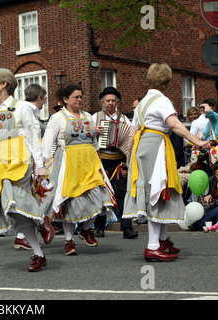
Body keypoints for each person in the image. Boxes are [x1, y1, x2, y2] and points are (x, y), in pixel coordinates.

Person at [122, 63, 209, 262]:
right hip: (156, 146)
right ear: (167, 82)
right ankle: (153, 246)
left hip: (142, 149)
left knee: (158, 191)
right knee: (158, 192)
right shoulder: (162, 100)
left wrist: (129, 161)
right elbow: (174, 124)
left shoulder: (142, 103)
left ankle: (160, 240)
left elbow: (132, 136)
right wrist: (197, 141)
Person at [0, 68, 47, 272]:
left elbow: (32, 136)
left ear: (4, 84)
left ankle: (41, 218)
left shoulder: (21, 107)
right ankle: (39, 252)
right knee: (15, 211)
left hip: (19, 157)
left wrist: (40, 165)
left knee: (15, 198)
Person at [41, 84, 113, 256]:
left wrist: (99, 160)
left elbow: (94, 143)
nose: (80, 99)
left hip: (89, 161)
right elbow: (47, 143)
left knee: (98, 195)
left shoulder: (87, 116)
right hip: (68, 163)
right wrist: (42, 165)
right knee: (71, 202)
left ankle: (87, 229)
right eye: (76, 97)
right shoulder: (58, 118)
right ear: (66, 99)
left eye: (81, 96)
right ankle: (69, 240)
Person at [93, 86, 138, 239]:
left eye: (113, 100)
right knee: (103, 193)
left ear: (117, 102)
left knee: (123, 193)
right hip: (103, 159)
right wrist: (95, 131)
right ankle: (99, 227)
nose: (110, 103)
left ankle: (127, 228)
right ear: (102, 102)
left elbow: (129, 143)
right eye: (107, 101)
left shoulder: (124, 119)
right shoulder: (95, 118)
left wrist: (127, 164)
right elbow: (89, 138)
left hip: (119, 160)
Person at [14, 83, 54, 250]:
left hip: (23, 155)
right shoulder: (26, 109)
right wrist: (39, 163)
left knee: (29, 194)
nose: (44, 102)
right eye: (44, 99)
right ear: (40, 98)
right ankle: (41, 221)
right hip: (26, 156)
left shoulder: (25, 109)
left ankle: (22, 236)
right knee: (39, 192)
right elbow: (29, 137)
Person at [189, 161, 218, 230]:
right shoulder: (212, 180)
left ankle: (199, 223)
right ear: (215, 175)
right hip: (214, 210)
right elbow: (211, 194)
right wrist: (209, 195)